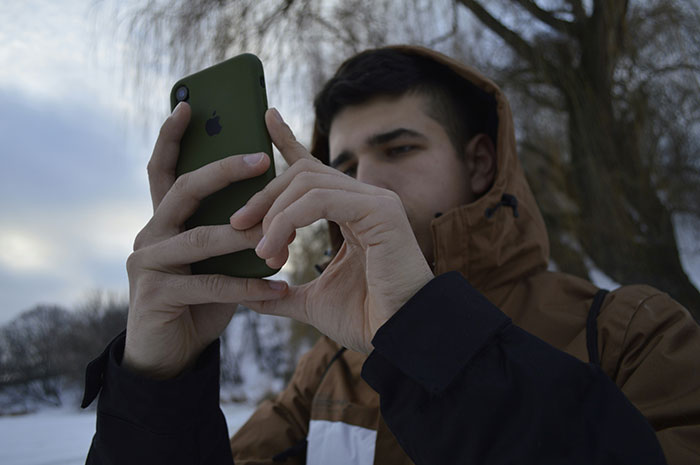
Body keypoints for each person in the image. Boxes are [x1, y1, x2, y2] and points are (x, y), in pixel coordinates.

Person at [82, 46, 700, 464]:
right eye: (345, 164)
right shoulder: (325, 372)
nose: (366, 182)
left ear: (479, 161)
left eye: (399, 149)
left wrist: (431, 336)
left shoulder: (631, 331)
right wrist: (155, 395)